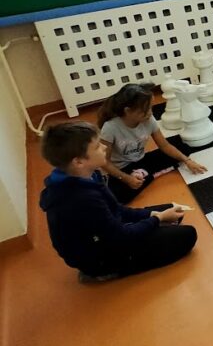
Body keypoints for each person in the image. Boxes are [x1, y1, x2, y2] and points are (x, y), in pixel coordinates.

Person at [39, 121, 197, 283]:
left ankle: (148, 232)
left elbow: (117, 210)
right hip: (101, 257)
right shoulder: (81, 199)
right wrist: (158, 219)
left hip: (107, 234)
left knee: (174, 211)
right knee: (188, 235)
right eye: (97, 147)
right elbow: (120, 236)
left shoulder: (89, 174)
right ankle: (107, 272)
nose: (104, 147)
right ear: (78, 162)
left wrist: (152, 215)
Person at [97, 83, 206, 203]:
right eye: (145, 110)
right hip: (123, 168)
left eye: (150, 107)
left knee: (182, 146)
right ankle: (146, 175)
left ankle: (145, 175)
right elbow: (104, 162)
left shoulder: (148, 119)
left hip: (143, 160)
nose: (150, 113)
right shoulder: (110, 127)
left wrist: (187, 161)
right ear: (128, 111)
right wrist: (127, 178)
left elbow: (164, 145)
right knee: (118, 196)